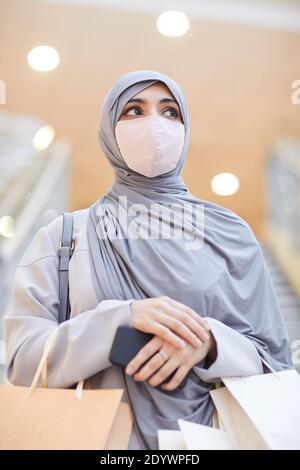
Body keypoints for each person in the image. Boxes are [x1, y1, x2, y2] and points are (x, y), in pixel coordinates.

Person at [4, 70, 293, 450]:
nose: (156, 125)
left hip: (213, 438)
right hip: (102, 440)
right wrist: (119, 319)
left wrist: (209, 342)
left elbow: (275, 360)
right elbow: (23, 359)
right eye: (134, 111)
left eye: (170, 112)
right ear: (109, 128)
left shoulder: (231, 234)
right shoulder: (66, 236)